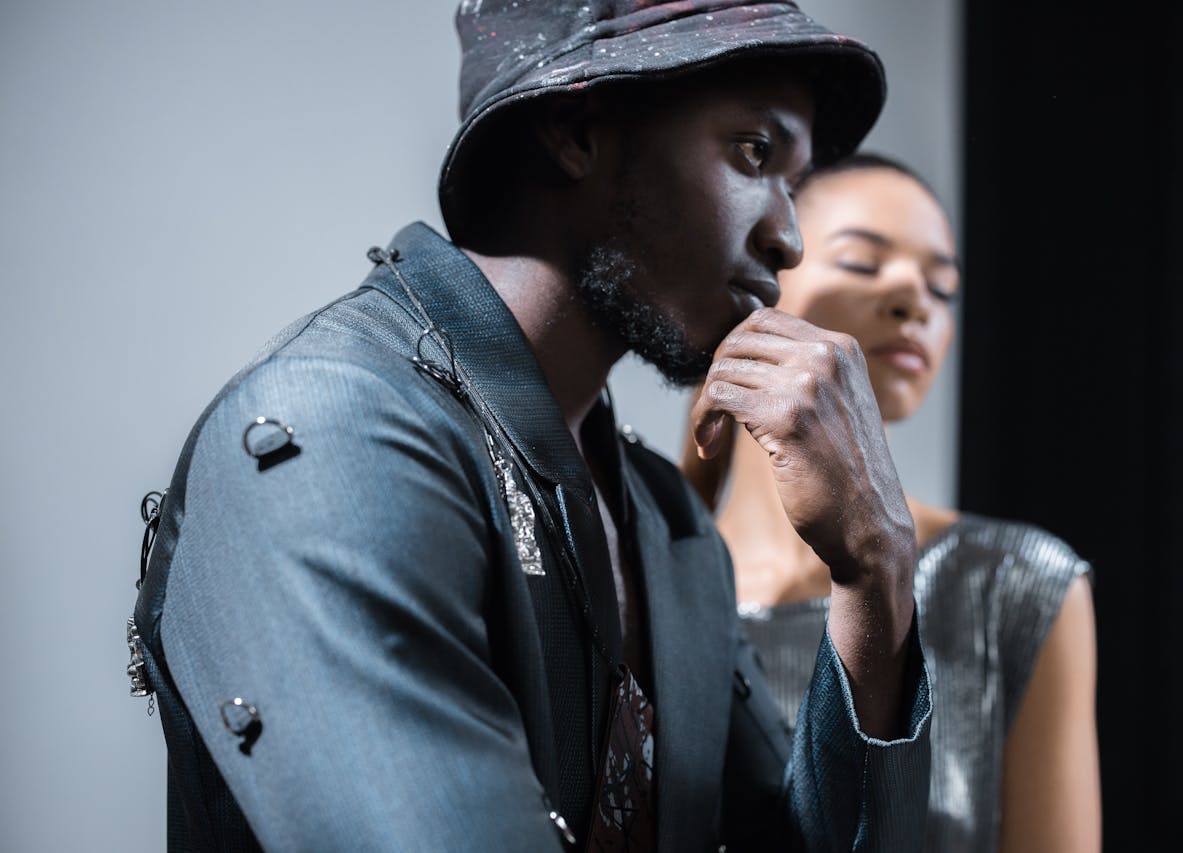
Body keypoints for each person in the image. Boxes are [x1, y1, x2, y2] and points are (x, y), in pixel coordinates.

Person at [127, 3, 935, 850]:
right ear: (577, 130)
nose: (789, 236)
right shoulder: (333, 434)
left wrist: (875, 567)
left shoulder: (666, 523)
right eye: (753, 153)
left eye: (795, 183)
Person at [680, 152, 1101, 852]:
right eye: (862, 263)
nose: (915, 298)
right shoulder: (649, 580)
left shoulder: (1018, 583)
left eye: (943, 288)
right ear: (760, 277)